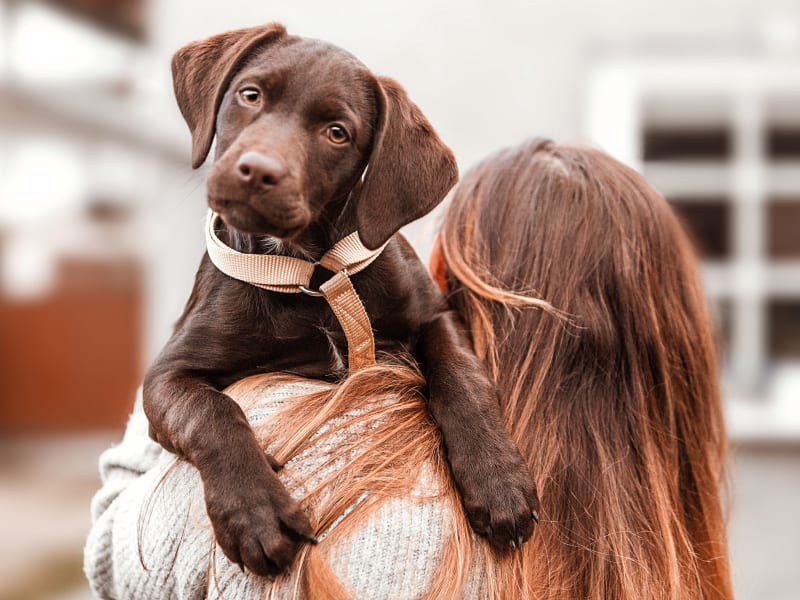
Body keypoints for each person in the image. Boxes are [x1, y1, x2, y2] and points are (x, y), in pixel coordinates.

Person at [84, 139, 734, 599]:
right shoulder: (667, 553)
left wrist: (180, 370)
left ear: (447, 278)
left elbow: (115, 553)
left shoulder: (304, 453)